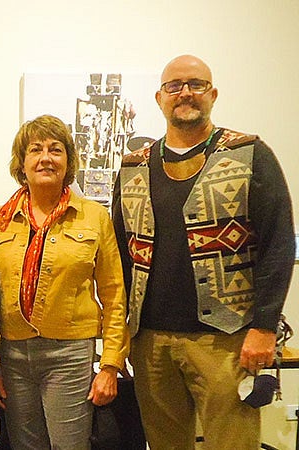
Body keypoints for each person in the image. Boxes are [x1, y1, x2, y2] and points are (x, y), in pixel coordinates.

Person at [112, 55, 295, 449]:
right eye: (174, 86)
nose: (185, 94)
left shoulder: (249, 154)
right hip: (151, 342)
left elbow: (278, 244)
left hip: (226, 340)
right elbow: (121, 257)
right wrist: (123, 332)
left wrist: (264, 327)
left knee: (232, 443)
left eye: (195, 84)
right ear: (159, 98)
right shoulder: (132, 167)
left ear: (212, 94)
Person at [0, 114, 129, 450]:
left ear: (68, 162)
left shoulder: (94, 217)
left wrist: (110, 363)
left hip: (70, 354)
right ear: (22, 162)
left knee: (69, 446)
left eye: (56, 150)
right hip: (13, 355)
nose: (46, 158)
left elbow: (114, 295)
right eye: (36, 150)